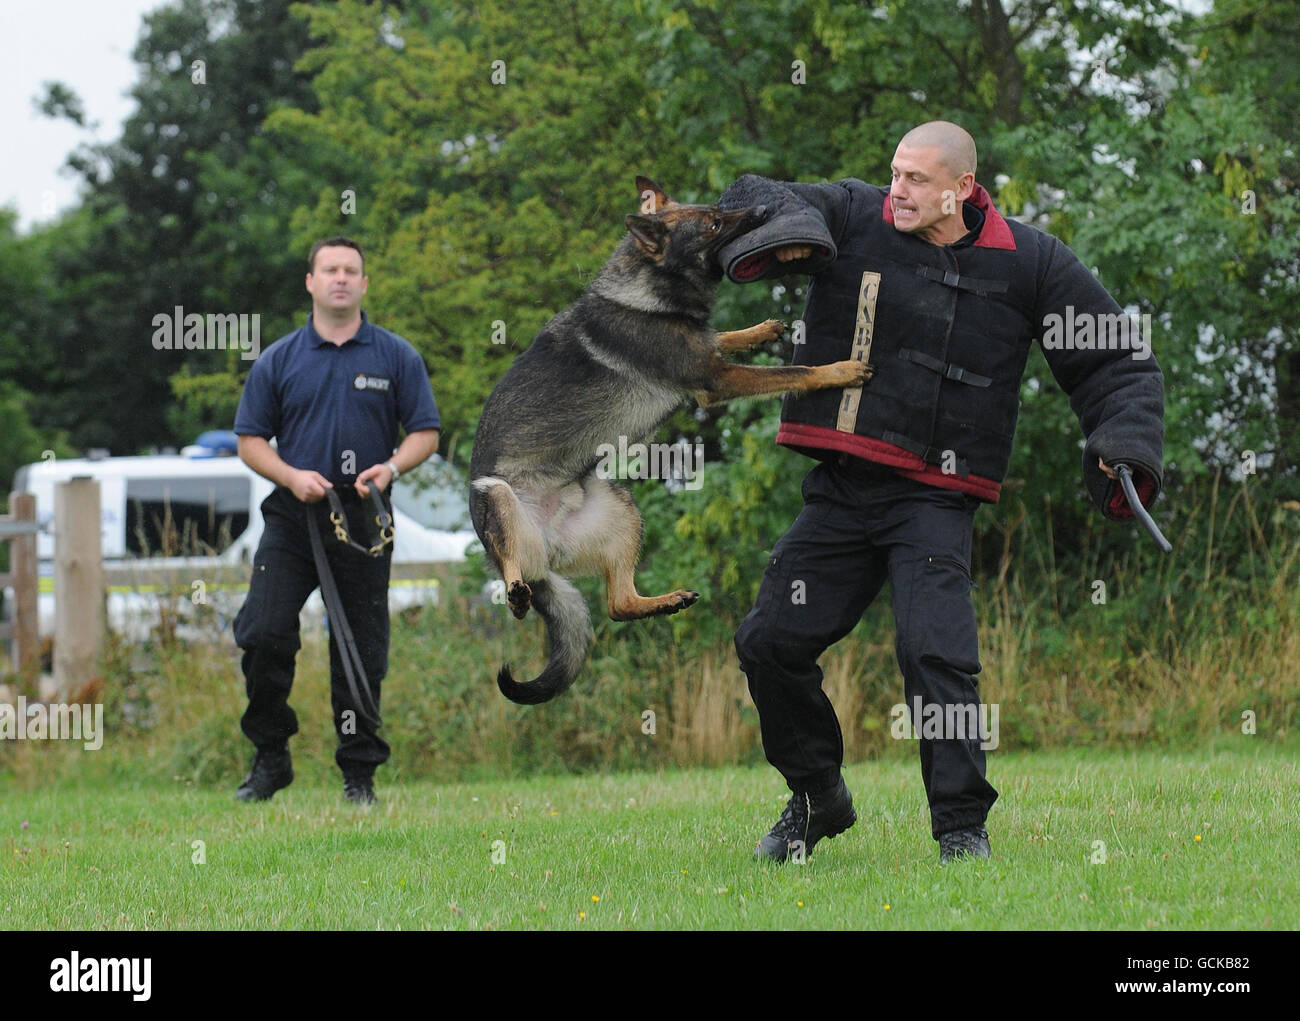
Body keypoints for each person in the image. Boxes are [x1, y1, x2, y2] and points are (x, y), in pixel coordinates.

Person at [717, 121, 1164, 863]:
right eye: (894, 173)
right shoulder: (853, 214)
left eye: (916, 180)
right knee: (768, 642)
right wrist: (782, 231)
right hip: (843, 490)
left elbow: (1114, 360)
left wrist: (1124, 445)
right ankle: (818, 794)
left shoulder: (1031, 262)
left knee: (937, 655)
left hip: (933, 499)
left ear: (962, 189)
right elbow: (757, 196)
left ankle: (961, 830)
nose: (896, 190)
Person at [231, 236, 441, 805]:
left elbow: (425, 432)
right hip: (293, 516)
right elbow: (250, 441)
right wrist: (291, 475)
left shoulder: (396, 356)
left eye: (351, 270)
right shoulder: (279, 359)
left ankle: (359, 775)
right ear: (311, 282)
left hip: (364, 519)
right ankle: (271, 755)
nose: (341, 278)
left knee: (360, 648)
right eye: (330, 269)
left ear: (364, 284)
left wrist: (391, 468)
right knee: (262, 633)